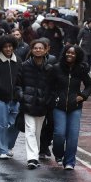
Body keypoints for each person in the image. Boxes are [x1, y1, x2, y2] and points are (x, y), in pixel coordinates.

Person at [49, 45, 91, 170]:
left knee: (73, 136)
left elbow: (89, 85)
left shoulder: (81, 69)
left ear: (77, 56)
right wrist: (55, 98)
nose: (70, 55)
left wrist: (83, 96)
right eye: (68, 52)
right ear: (64, 53)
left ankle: (69, 162)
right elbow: (49, 86)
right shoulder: (56, 68)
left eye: (73, 53)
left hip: (75, 107)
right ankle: (58, 153)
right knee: (59, 134)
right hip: (59, 106)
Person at [15, 39, 54, 169]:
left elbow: (52, 87)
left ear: (46, 50)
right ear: (31, 50)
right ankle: (32, 158)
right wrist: (22, 96)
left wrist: (48, 100)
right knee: (30, 130)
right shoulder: (25, 65)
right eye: (35, 48)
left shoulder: (49, 68)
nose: (38, 50)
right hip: (27, 104)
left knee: (37, 131)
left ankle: (35, 155)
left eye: (40, 48)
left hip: (42, 105)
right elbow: (18, 84)